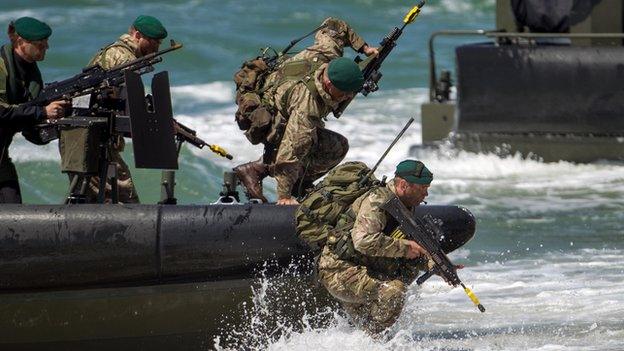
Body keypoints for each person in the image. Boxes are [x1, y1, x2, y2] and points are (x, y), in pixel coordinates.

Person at [234, 17, 379, 205]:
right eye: (343, 94)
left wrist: (364, 48)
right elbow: (291, 151)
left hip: (278, 90)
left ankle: (297, 182)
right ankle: (255, 171)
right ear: (328, 83)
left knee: (313, 140)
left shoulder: (328, 52)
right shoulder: (307, 106)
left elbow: (334, 25)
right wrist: (284, 197)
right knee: (332, 146)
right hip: (269, 116)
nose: (346, 98)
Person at [317, 159, 434, 335]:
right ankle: (371, 341)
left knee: (407, 272)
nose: (426, 194)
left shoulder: (404, 205)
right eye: (422, 188)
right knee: (394, 292)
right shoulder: (378, 201)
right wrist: (405, 247)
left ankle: (362, 338)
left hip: (364, 268)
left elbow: (408, 247)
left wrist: (434, 265)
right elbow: (363, 240)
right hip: (339, 269)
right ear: (403, 185)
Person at [78, 15, 168, 203]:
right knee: (127, 201)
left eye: (159, 43)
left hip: (89, 138)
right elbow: (130, 108)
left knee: (92, 201)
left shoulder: (114, 53)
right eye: (153, 42)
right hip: (92, 141)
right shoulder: (125, 59)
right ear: (136, 35)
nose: (156, 49)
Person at [0, 17, 67, 203]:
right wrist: (42, 112)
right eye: (40, 43)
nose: (47, 47)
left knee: (13, 213)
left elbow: (32, 133)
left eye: (46, 42)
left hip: (1, 158)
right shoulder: (1, 65)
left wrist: (55, 121)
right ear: (20, 42)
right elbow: (2, 112)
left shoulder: (31, 72)